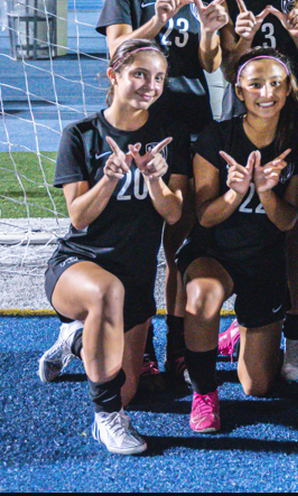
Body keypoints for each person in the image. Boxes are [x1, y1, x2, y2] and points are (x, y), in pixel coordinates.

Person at [96, 0, 232, 386]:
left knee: (179, 239)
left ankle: (177, 348)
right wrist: (155, 21)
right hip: (138, 127)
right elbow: (117, 52)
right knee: (136, 239)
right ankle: (136, 337)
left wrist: (210, 30)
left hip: (189, 125)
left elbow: (210, 63)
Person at [38, 40, 189, 454]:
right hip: (77, 265)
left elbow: (174, 214)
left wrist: (155, 179)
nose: (150, 85)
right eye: (139, 74)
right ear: (114, 75)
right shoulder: (81, 135)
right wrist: (108, 178)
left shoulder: (169, 138)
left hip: (133, 277)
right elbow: (79, 217)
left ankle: (76, 338)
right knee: (107, 293)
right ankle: (106, 421)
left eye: (158, 77)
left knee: (126, 389)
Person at [178, 49, 298, 433]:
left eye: (275, 84)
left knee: (258, 386)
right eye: (255, 84)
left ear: (288, 89)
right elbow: (205, 216)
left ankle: (237, 333)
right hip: (214, 253)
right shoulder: (216, 137)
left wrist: (265, 191)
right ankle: (204, 392)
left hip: (265, 259)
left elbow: (287, 222)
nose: (266, 93)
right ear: (239, 91)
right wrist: (235, 193)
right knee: (203, 294)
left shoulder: (297, 143)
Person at [219, 0, 298, 382]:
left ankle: (296, 336)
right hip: (244, 124)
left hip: (295, 123)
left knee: (290, 230)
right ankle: (248, 323)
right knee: (241, 224)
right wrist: (238, 42)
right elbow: (225, 69)